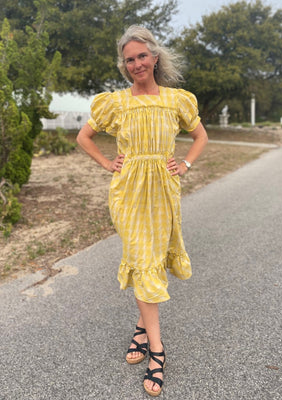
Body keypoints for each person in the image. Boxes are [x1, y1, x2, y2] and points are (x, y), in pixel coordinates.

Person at [77, 25, 208, 397]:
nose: (136, 63)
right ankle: (157, 350)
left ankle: (140, 327)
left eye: (141, 56)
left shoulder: (177, 100)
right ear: (125, 64)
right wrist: (107, 163)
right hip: (128, 193)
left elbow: (201, 137)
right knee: (141, 257)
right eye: (129, 59)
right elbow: (83, 136)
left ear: (155, 57)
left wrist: (186, 164)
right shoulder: (115, 103)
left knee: (153, 258)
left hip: (164, 191)